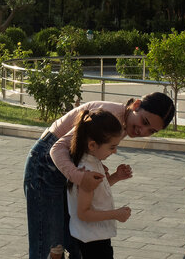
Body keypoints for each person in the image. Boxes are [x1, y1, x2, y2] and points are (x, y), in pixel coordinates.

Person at [24, 92, 175, 259]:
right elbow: (58, 148)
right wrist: (80, 177)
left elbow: (84, 149)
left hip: (66, 168)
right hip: (45, 165)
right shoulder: (111, 116)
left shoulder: (125, 121)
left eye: (151, 130)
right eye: (144, 122)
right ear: (136, 105)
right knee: (47, 243)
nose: (142, 130)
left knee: (73, 241)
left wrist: (96, 166)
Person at [65, 109, 133, 259]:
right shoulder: (87, 171)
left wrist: (115, 177)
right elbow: (83, 213)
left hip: (93, 237)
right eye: (111, 147)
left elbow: (95, 191)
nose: (115, 151)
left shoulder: (92, 162)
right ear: (92, 145)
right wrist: (116, 214)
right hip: (92, 240)